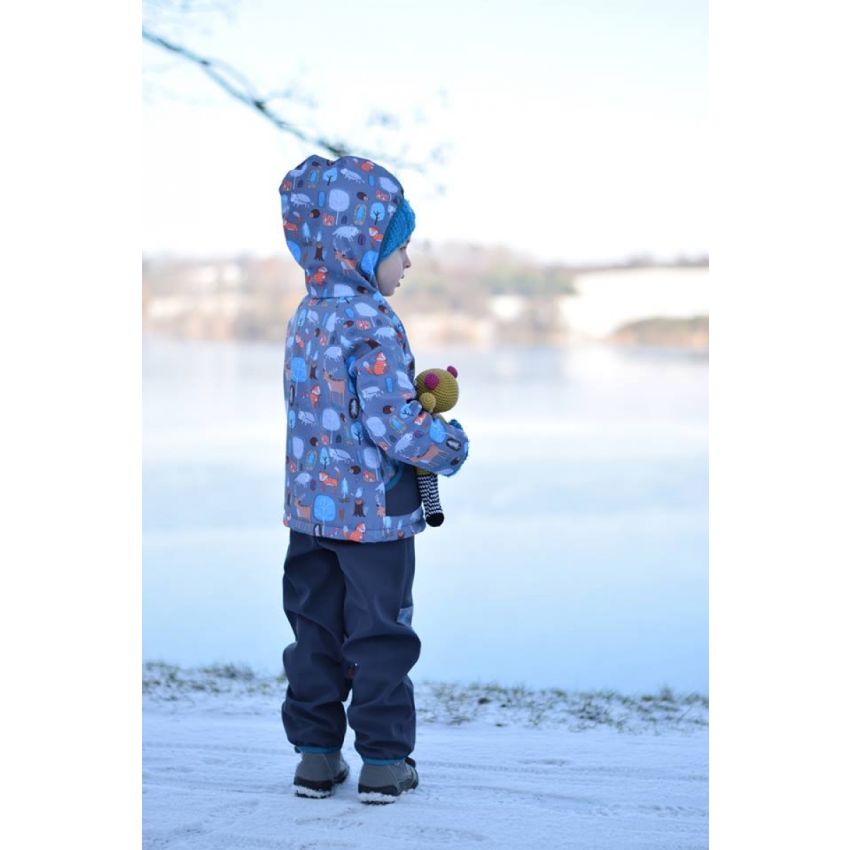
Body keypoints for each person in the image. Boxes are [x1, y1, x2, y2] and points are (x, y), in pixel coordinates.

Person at [277, 154, 470, 803]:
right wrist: (448, 441)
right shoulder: (373, 322)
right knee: (380, 634)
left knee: (315, 632)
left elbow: (336, 413)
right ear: (365, 246)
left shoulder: (307, 315)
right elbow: (396, 428)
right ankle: (384, 762)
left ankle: (315, 755)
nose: (408, 262)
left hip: (310, 515)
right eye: (402, 246)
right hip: (374, 521)